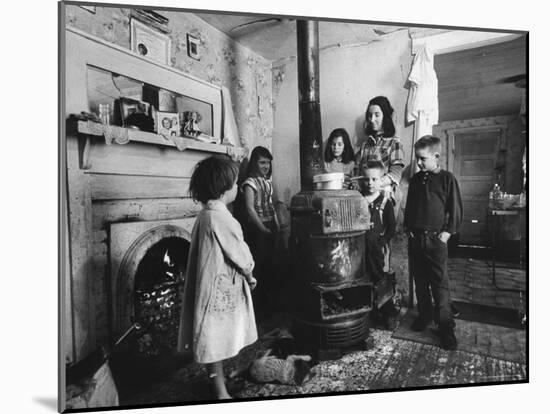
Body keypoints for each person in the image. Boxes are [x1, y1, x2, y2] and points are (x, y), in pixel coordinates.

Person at [177, 156, 258, 400]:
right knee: (216, 338)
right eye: (235, 184)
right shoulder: (222, 218)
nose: (237, 187)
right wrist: (250, 274)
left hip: (210, 285)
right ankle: (221, 393)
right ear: (224, 189)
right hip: (220, 290)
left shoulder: (205, 215)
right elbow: (240, 254)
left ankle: (221, 380)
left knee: (214, 339)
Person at [404, 135, 463, 350]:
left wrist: (447, 233)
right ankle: (425, 315)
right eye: (417, 158)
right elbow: (409, 207)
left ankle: (446, 327)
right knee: (420, 280)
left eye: (422, 159)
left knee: (440, 284)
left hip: (436, 240)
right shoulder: (416, 180)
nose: (418, 163)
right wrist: (409, 229)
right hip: (416, 239)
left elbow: (455, 208)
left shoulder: (447, 179)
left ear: (436, 156)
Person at [241, 146, 280, 318]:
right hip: (257, 229)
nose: (265, 166)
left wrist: (276, 224)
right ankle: (258, 311)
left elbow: (271, 206)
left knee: (272, 266)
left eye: (268, 163)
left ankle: (269, 307)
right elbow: (250, 209)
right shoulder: (250, 183)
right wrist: (262, 228)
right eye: (262, 162)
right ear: (254, 163)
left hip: (270, 225)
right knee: (259, 267)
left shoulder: (267, 183)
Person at [359, 161, 398, 329]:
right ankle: (367, 314)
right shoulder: (357, 199)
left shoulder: (385, 202)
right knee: (363, 278)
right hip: (360, 247)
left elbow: (391, 227)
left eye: (374, 179)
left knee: (381, 279)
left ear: (381, 179)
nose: (370, 183)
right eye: (367, 179)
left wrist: (382, 242)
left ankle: (388, 313)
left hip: (378, 247)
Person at [355, 96, 405, 206]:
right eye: (369, 115)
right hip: (365, 197)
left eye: (377, 115)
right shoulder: (365, 145)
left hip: (384, 197)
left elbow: (396, 174)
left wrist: (375, 184)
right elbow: (357, 172)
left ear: (385, 117)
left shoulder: (394, 143)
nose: (372, 120)